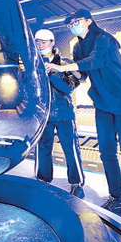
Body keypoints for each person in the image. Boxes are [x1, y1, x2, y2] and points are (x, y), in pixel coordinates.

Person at [47, 9, 121, 229]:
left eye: (77, 21)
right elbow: (83, 74)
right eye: (70, 23)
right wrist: (64, 70)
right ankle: (117, 200)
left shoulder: (103, 39)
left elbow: (96, 60)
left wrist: (62, 66)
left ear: (89, 21)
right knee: (107, 152)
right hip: (103, 104)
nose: (73, 25)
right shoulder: (78, 46)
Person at [34, 28, 85, 198]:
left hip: (64, 113)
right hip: (43, 114)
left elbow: (69, 87)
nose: (40, 45)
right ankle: (43, 180)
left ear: (52, 43)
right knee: (43, 149)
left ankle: (76, 184)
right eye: (37, 42)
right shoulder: (33, 63)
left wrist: (52, 73)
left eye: (44, 42)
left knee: (71, 149)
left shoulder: (65, 63)